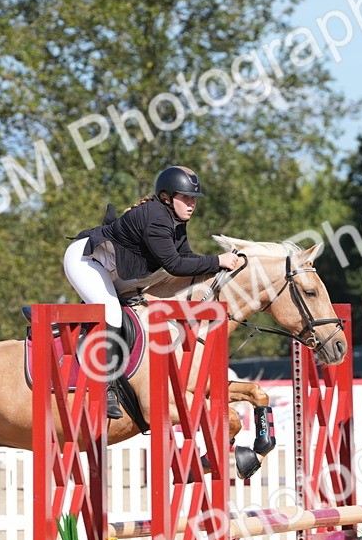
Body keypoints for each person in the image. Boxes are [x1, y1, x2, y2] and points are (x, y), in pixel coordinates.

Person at [65, 165, 237, 418]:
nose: (191, 204)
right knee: (112, 312)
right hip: (86, 260)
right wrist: (218, 260)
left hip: (115, 269)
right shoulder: (157, 218)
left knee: (137, 303)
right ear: (167, 197)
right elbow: (175, 265)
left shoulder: (176, 220)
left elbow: (187, 257)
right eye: (185, 197)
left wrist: (217, 266)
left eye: (193, 199)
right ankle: (106, 388)